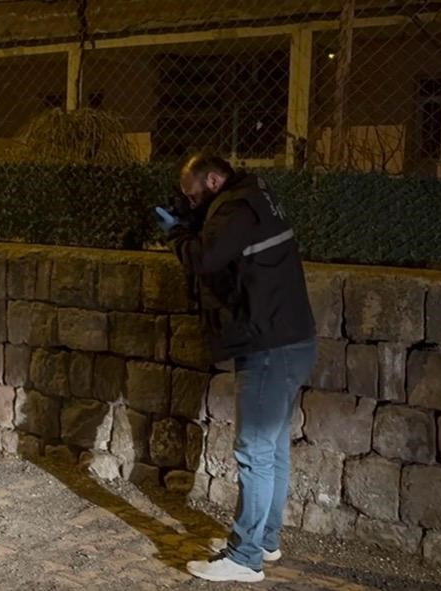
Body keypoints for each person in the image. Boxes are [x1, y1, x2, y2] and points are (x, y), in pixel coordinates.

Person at [157, 153, 317, 583]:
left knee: (254, 453)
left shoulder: (234, 208)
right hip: (292, 339)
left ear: (212, 180)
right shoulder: (257, 196)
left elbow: (206, 260)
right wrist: (192, 224)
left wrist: (177, 233)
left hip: (270, 346)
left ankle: (245, 557)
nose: (191, 204)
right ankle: (266, 540)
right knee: (274, 448)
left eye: (193, 196)